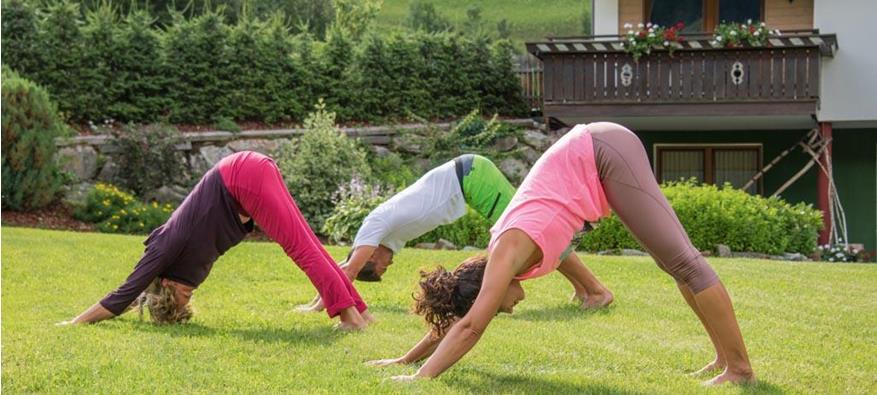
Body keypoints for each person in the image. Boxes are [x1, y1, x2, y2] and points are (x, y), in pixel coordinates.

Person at [368, 123, 754, 385]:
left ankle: (739, 368)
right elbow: (461, 319)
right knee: (675, 265)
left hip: (602, 151)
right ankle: (724, 359)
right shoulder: (499, 262)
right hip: (596, 153)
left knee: (684, 261)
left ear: (489, 289)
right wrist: (406, 360)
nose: (509, 308)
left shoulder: (505, 253)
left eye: (499, 307)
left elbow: (471, 326)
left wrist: (419, 381)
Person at [59, 151, 371, 330]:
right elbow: (134, 301)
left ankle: (350, 317)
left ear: (166, 287)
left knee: (302, 249)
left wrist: (76, 322)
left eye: (181, 299)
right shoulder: (178, 274)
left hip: (241, 177)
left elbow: (124, 294)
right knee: (309, 245)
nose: (188, 298)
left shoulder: (166, 247)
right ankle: (359, 310)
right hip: (245, 179)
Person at [296, 154, 613, 313]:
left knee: (532, 237)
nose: (386, 267)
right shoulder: (388, 233)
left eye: (378, 267)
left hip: (471, 176)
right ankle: (583, 290)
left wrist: (318, 304)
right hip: (470, 180)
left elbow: (347, 269)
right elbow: (345, 264)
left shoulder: (374, 225)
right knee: (533, 237)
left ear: (371, 253)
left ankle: (596, 291)